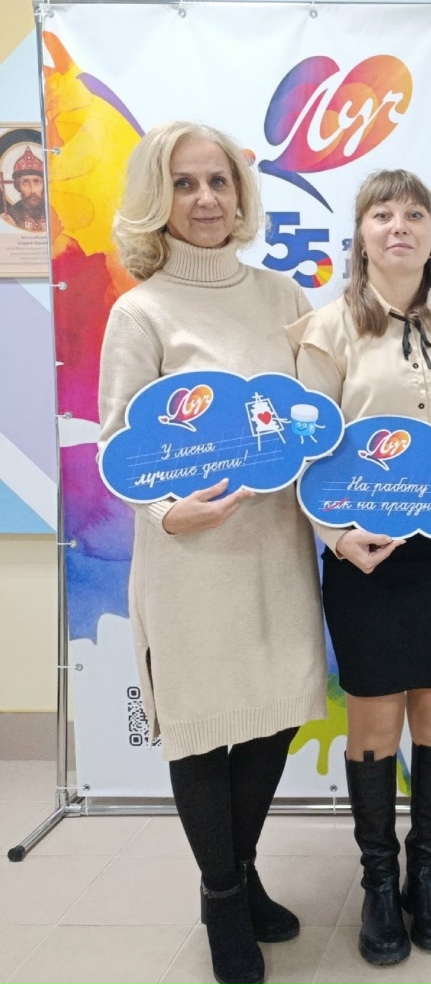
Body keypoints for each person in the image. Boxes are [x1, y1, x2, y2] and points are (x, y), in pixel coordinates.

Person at [98, 121, 327, 984]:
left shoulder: (283, 297)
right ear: (158, 200)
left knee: (272, 715)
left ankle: (240, 868)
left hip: (272, 546)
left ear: (241, 193)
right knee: (201, 733)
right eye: (185, 184)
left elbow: (311, 422)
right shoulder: (141, 311)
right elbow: (117, 447)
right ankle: (224, 898)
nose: (204, 200)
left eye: (218, 182)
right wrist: (167, 514)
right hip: (190, 561)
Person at [289, 169, 431, 966]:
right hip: (364, 555)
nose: (399, 225)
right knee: (375, 719)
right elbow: (307, 450)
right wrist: (335, 536)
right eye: (382, 213)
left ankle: (427, 873)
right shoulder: (328, 330)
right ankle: (379, 882)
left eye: (415, 213)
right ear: (361, 233)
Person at [3, 145, 47, 232]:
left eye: (37, 182)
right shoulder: (11, 216)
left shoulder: (54, 211)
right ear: (18, 186)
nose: (32, 190)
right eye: (25, 182)